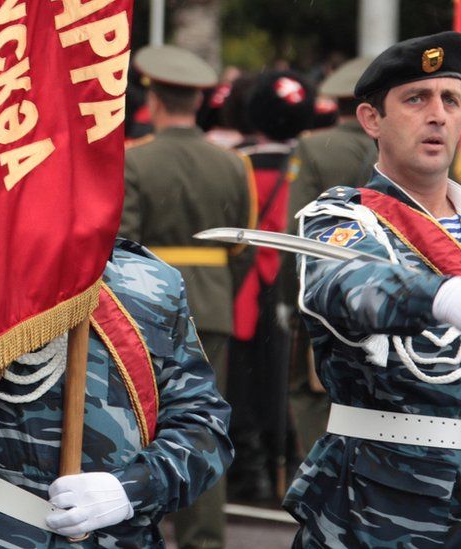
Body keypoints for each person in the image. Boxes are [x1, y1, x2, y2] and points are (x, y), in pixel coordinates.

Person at [0, 215, 233, 547]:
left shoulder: (152, 279)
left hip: (123, 534)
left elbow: (203, 425)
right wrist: (9, 217)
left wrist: (132, 489)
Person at [284, 31, 461, 548]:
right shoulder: (341, 216)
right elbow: (347, 283)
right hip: (381, 497)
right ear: (371, 120)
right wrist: (439, 297)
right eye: (416, 99)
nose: (438, 115)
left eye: (451, 100)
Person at [119, 44, 255, 549]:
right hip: (213, 303)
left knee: (137, 422)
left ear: (152, 100)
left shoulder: (136, 160)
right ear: (198, 102)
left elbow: (123, 245)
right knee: (203, 426)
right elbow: (241, 246)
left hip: (142, 310)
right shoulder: (231, 163)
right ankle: (204, 540)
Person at [226, 70, 314, 502]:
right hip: (287, 285)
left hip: (241, 287)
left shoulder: (235, 161)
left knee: (240, 385)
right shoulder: (306, 163)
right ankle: (285, 467)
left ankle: (249, 471)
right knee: (282, 381)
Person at [282, 56, 377, 458]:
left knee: (310, 390)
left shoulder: (314, 144)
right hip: (388, 291)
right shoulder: (394, 144)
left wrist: (290, 297)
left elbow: (297, 229)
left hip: (326, 287)